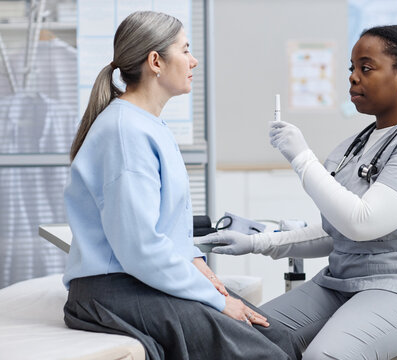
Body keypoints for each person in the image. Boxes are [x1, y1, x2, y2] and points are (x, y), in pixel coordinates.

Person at [198, 25, 397, 359]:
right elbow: (338, 232)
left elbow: (361, 223)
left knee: (322, 356)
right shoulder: (355, 146)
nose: (353, 78)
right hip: (345, 281)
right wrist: (258, 243)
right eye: (351, 69)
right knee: (245, 337)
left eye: (366, 68)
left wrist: (301, 157)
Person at [62, 11, 300, 360]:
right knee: (263, 353)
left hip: (141, 279)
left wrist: (198, 264)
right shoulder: (125, 132)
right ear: (155, 61)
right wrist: (217, 300)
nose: (194, 60)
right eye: (185, 50)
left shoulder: (148, 125)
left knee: (282, 339)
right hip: (113, 289)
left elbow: (163, 229)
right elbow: (139, 247)